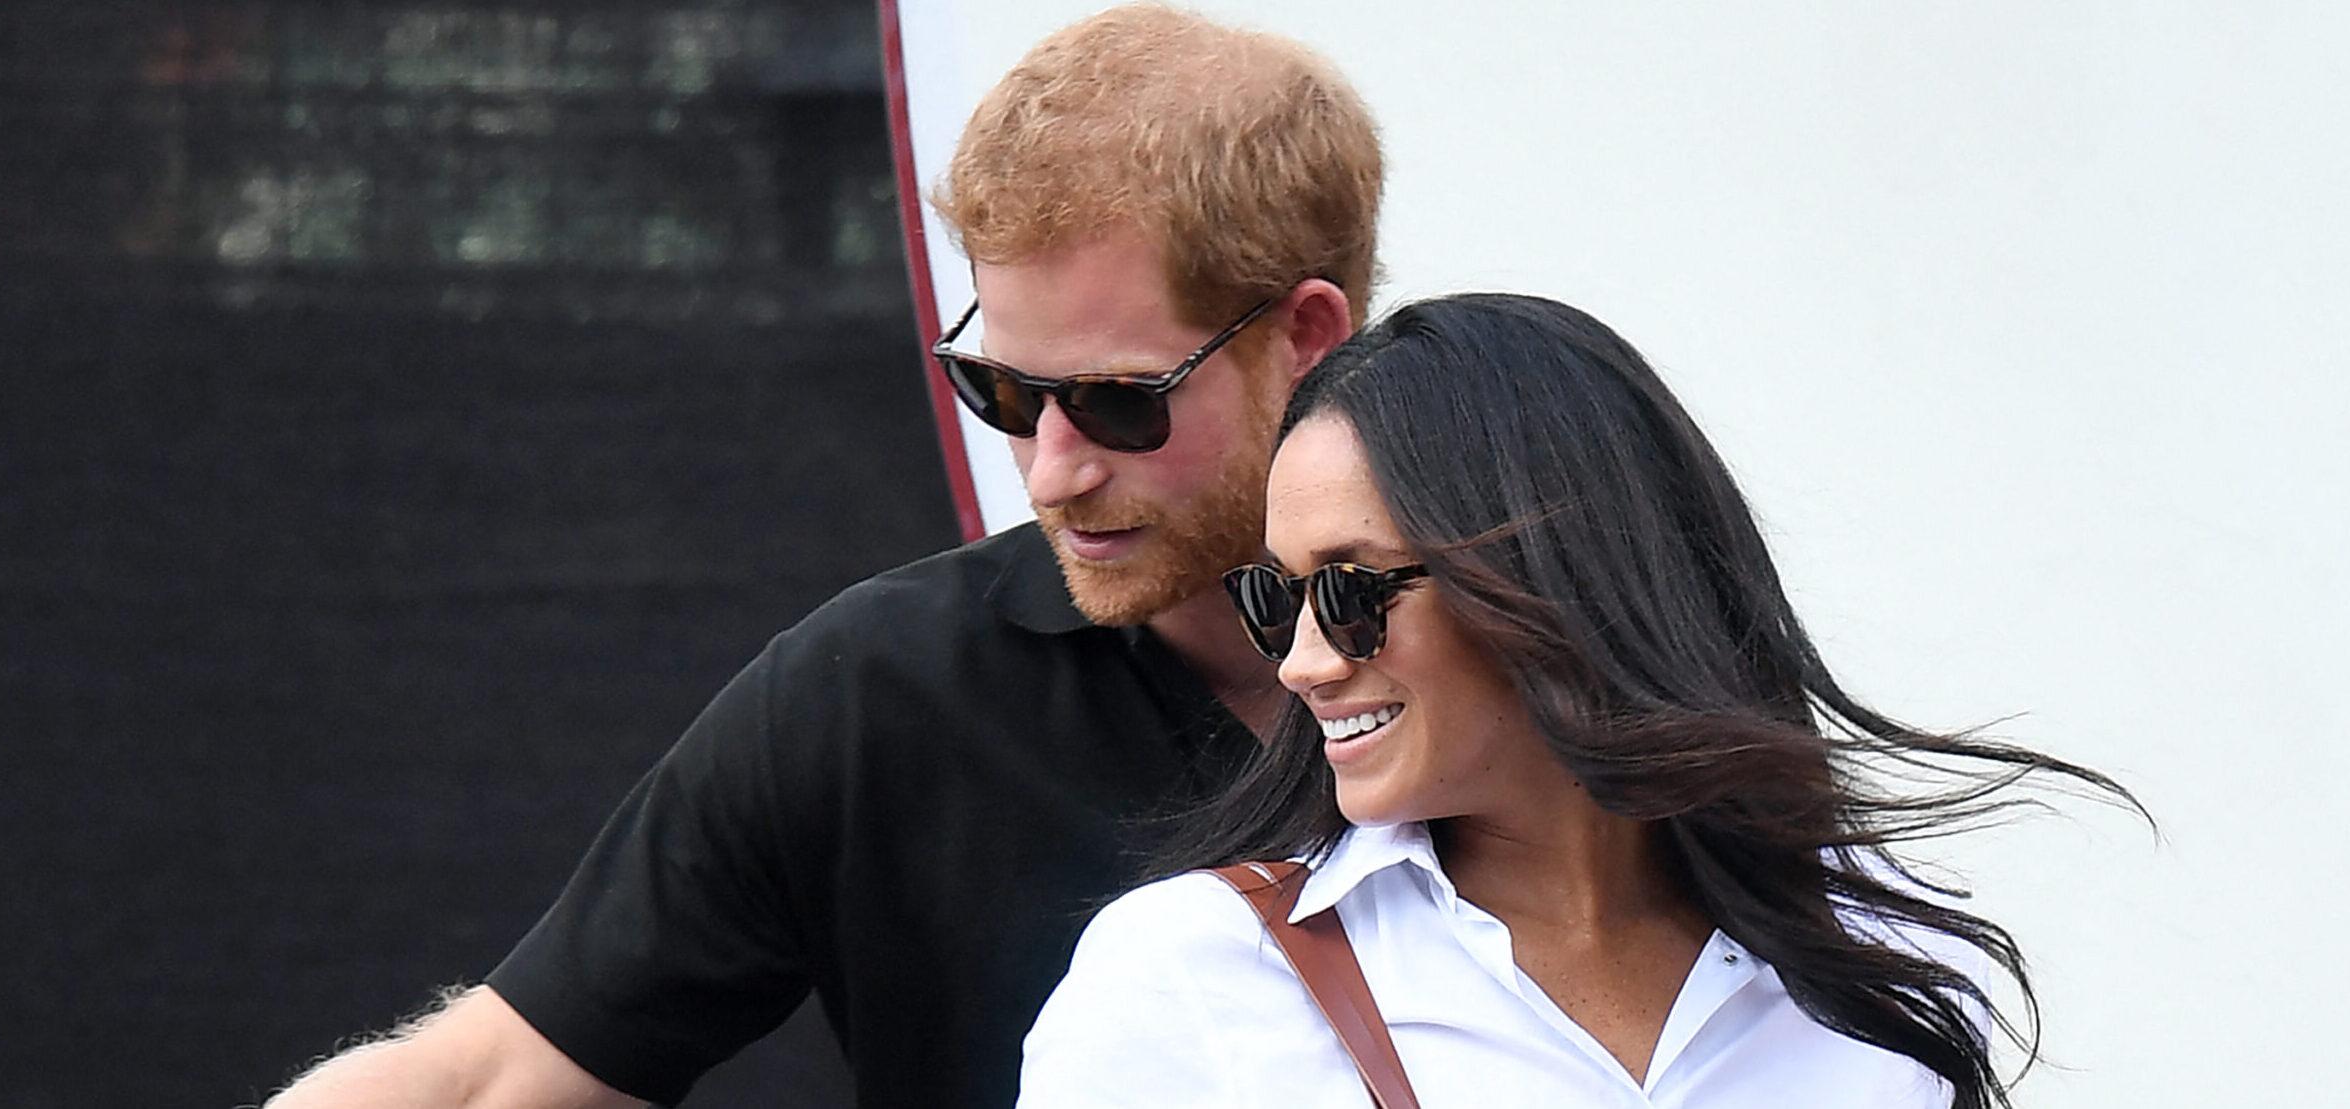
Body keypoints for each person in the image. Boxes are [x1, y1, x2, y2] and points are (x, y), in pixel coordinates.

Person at [267, 6, 1379, 1107]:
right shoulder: (887, 690)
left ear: (1307, 335)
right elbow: (485, 1080)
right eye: (1001, 390)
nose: (1050, 470)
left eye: (1113, 401)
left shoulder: (1529, 655)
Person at [1018, 294, 2142, 1108]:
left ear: (1558, 579)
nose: (1305, 660)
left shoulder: (1870, 952)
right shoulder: (1194, 980)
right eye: (1281, 597)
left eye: (1353, 590)